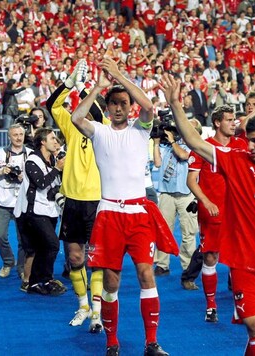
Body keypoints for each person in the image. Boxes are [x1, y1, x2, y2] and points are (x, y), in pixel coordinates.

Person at [161, 73, 255, 355]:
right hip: (245, 264)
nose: (249, 146)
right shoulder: (236, 162)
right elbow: (195, 142)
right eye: (248, 140)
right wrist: (175, 104)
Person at [71, 58, 177, 356]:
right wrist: (98, 87)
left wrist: (119, 74)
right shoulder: (99, 131)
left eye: (123, 103)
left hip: (139, 213)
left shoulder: (141, 129)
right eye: (113, 103)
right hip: (109, 214)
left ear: (129, 106)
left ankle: (151, 342)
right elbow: (77, 118)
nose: (118, 107)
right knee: (111, 281)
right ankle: (112, 341)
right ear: (107, 107)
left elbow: (148, 106)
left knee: (146, 274)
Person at [46, 60, 107, 332]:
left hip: (97, 200)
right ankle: (83, 305)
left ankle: (97, 311)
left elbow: (95, 108)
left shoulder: (104, 127)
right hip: (72, 200)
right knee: (74, 257)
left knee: (97, 258)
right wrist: (68, 84)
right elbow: (52, 106)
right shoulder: (72, 126)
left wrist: (83, 87)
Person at [185, 105, 246, 321]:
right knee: (211, 257)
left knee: (238, 259)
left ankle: (240, 305)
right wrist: (206, 201)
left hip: (238, 213)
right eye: (229, 120)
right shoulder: (204, 147)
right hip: (212, 212)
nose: (233, 123)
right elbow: (191, 180)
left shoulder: (241, 146)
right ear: (218, 123)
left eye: (234, 120)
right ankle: (211, 305)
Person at [14, 128, 66, 296]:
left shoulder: (52, 160)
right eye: (52, 138)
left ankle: (36, 282)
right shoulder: (32, 160)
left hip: (49, 209)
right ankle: (44, 278)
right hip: (34, 210)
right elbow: (42, 182)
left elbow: (55, 185)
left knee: (43, 247)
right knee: (52, 244)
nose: (56, 141)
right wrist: (57, 169)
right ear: (42, 141)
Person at [152, 116, 198, 280]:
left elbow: (184, 155)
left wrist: (172, 141)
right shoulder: (169, 146)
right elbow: (157, 163)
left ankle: (188, 267)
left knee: (188, 234)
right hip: (166, 194)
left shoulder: (195, 146)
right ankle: (162, 265)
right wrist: (157, 143)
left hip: (186, 194)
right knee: (164, 231)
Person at [0, 124, 32, 287]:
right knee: (0, 235)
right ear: (9, 136)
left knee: (23, 238)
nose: (19, 137)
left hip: (23, 201)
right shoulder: (0, 154)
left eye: (21, 134)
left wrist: (23, 177)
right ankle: (8, 262)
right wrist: (2, 171)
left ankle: (21, 267)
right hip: (4, 200)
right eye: (15, 135)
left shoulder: (31, 154)